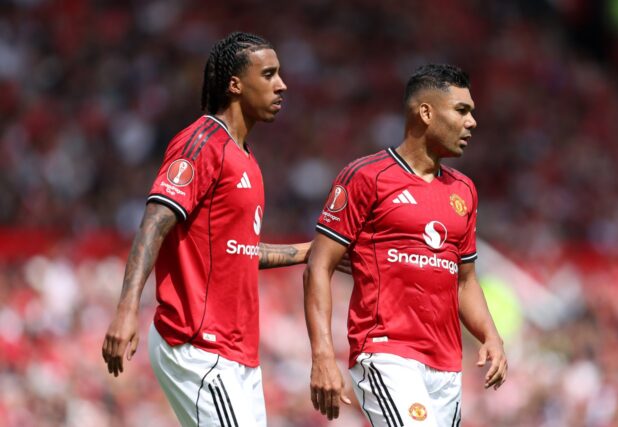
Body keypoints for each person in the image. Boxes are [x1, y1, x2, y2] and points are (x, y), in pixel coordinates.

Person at [102, 31, 312, 427]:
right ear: (235, 85)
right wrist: (126, 310)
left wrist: (308, 252)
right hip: (198, 345)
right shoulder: (202, 143)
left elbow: (239, 251)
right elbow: (153, 222)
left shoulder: (246, 158)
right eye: (268, 74)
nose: (282, 85)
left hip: (238, 353)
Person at [303, 64, 508, 426]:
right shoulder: (366, 177)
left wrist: (490, 336)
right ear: (426, 113)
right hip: (386, 353)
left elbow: (465, 281)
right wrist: (322, 355)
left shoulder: (464, 191)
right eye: (462, 110)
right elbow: (319, 265)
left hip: (446, 365)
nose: (472, 122)